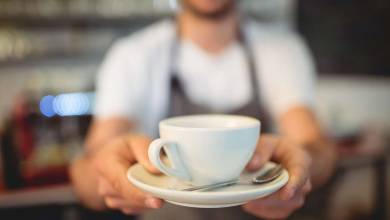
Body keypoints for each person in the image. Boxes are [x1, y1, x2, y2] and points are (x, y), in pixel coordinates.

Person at [70, 0, 337, 219]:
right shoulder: (133, 56)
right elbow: (87, 172)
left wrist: (300, 168)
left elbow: (315, 145)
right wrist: (105, 175)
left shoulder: (282, 51)